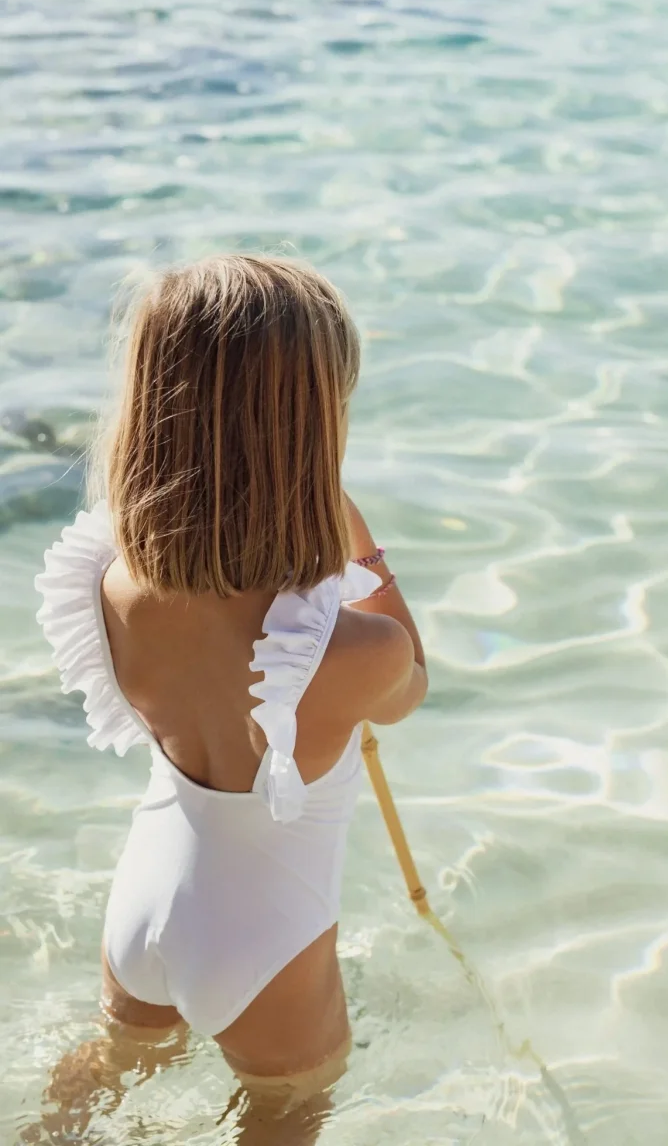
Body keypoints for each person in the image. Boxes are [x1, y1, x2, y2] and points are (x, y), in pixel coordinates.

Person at [32, 255, 427, 1140]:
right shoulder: (351, 651)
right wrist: (362, 550)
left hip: (142, 906)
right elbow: (410, 691)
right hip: (265, 947)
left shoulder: (110, 584)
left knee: (94, 1086)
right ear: (314, 430)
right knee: (290, 1109)